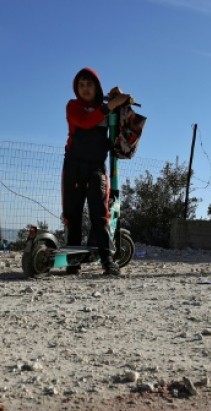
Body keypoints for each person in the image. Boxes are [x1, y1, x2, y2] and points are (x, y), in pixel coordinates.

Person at [62, 67, 131, 276]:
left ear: (97, 87)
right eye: (81, 85)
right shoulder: (73, 107)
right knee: (72, 215)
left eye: (89, 84)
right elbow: (85, 121)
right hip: (73, 166)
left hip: (96, 168)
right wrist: (111, 104)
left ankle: (108, 260)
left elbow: (126, 111)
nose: (85, 89)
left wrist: (122, 97)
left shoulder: (106, 108)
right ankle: (73, 262)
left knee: (100, 213)